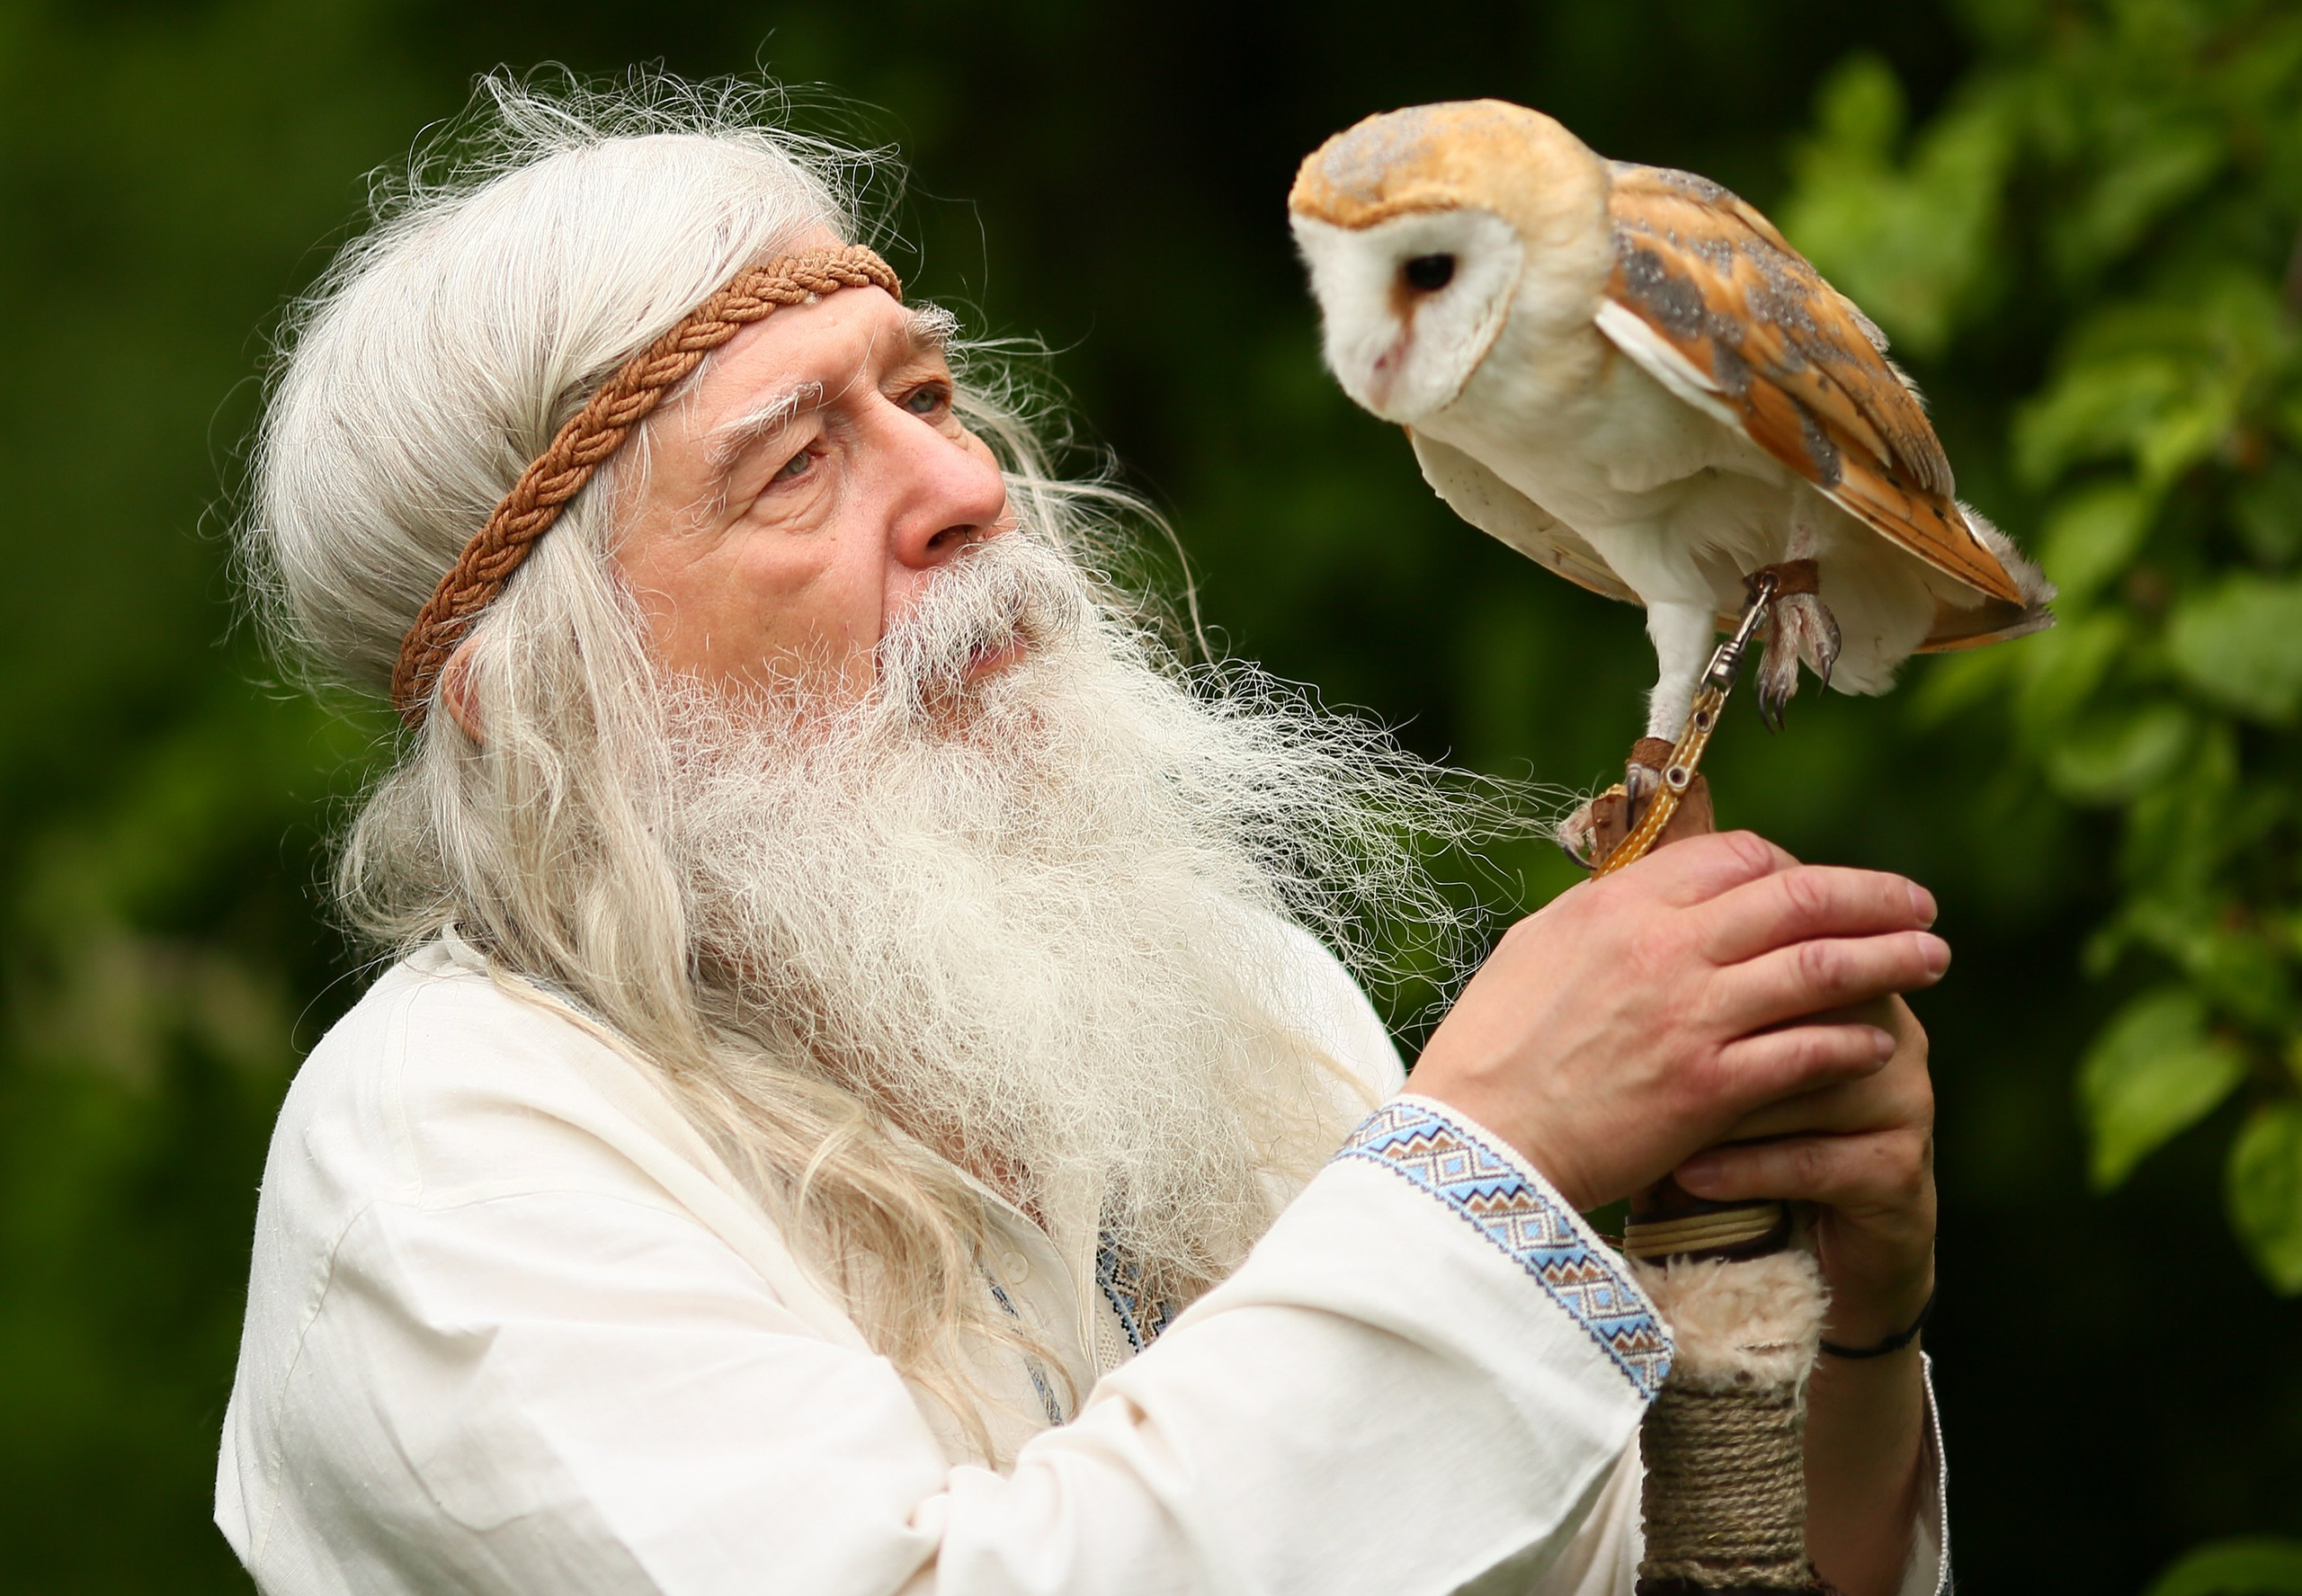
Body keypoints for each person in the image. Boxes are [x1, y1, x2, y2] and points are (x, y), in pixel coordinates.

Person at [220, 76, 1947, 1596]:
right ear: (544, 696)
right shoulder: (442, 1161)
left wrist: (1816, 1327)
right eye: (796, 466)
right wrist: (1492, 1155)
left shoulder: (1221, 1002)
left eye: (924, 392)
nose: (963, 486)